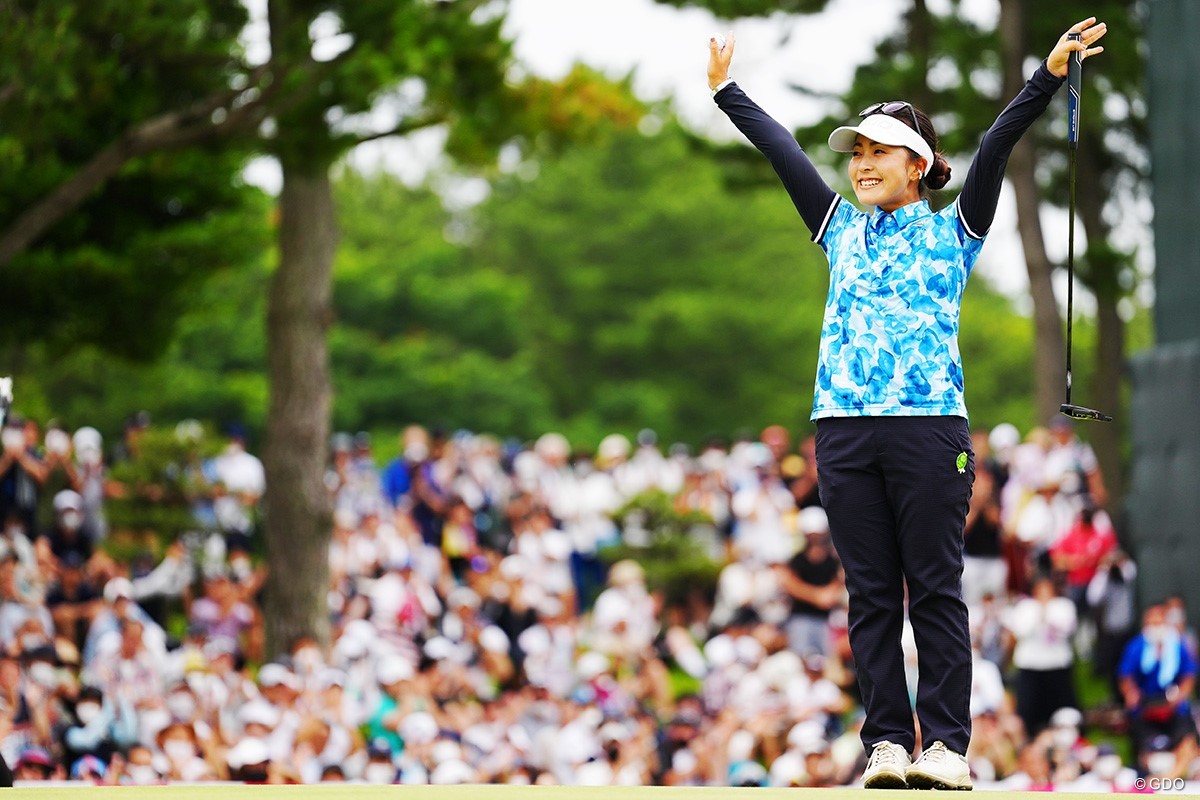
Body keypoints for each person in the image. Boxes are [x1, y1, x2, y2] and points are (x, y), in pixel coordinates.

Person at [707, 15, 1107, 791]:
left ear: (918, 164)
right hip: (842, 433)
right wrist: (728, 93)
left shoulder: (956, 227)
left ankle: (947, 749)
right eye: (855, 153)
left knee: (932, 587)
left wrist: (1048, 77)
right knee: (869, 597)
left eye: (876, 151)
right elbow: (784, 152)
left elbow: (994, 147)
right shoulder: (837, 228)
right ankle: (888, 744)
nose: (860, 164)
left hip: (929, 432)